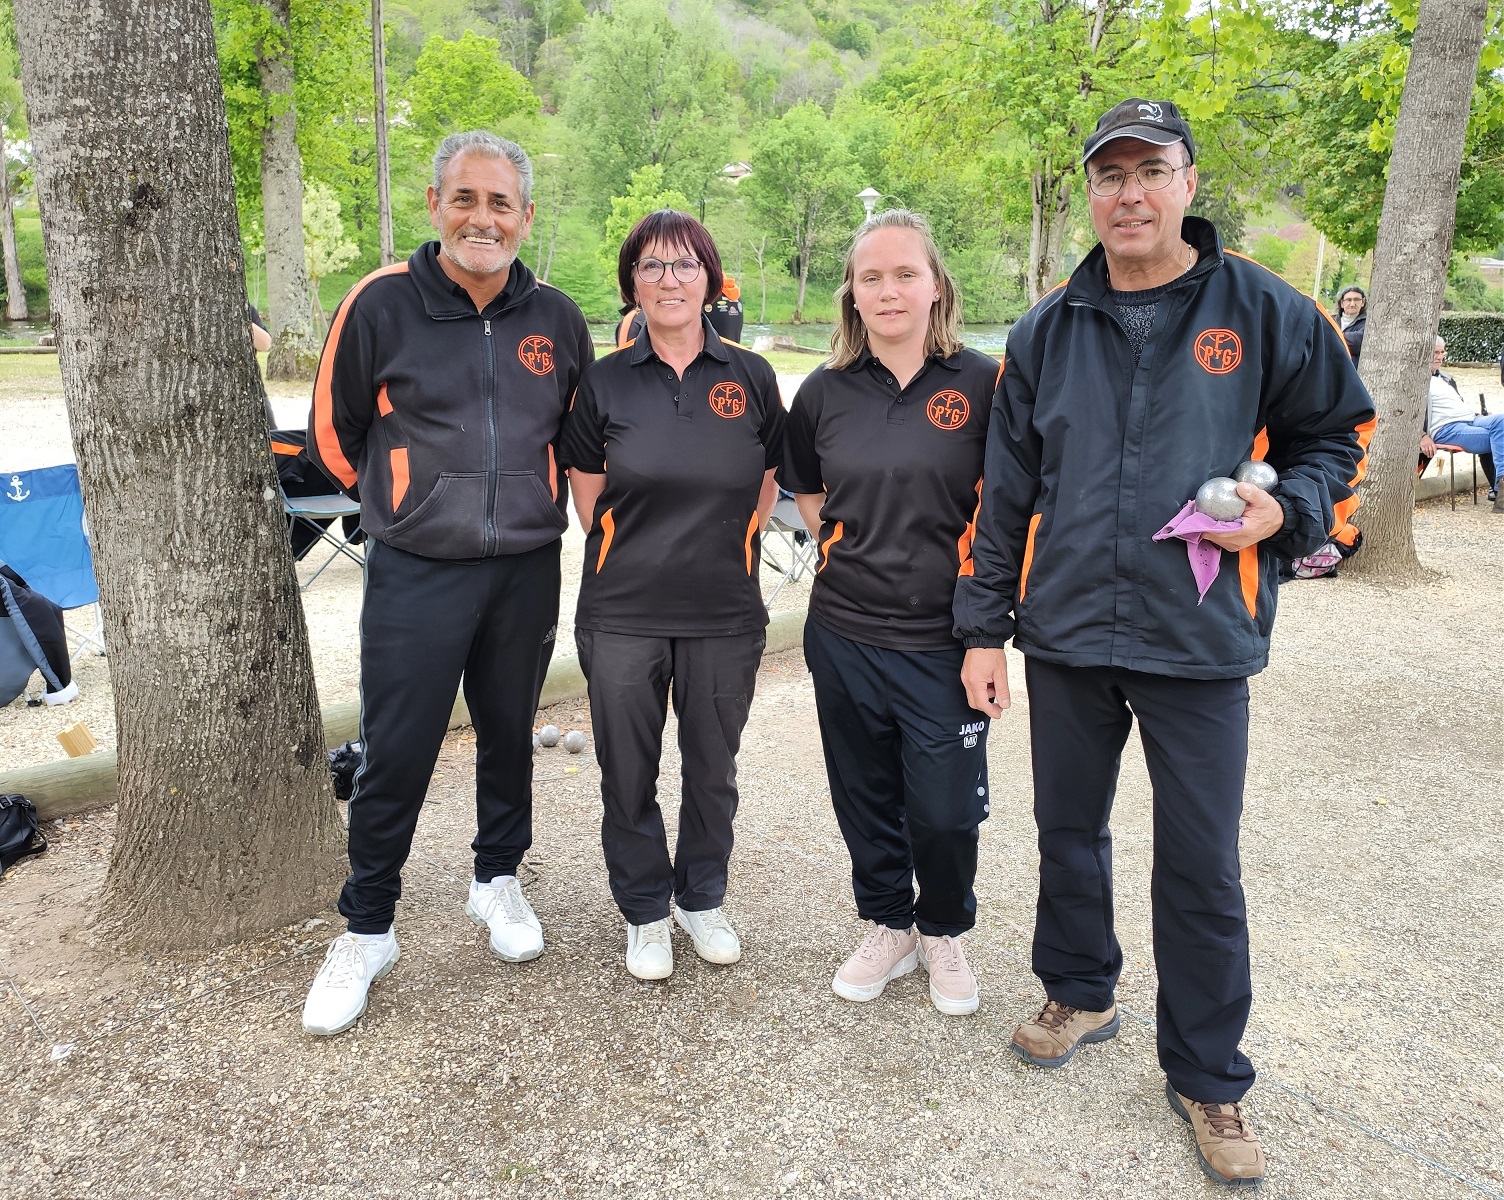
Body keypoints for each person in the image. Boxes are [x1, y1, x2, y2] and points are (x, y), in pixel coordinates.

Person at [954, 99, 1374, 1187]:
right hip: (1066, 630)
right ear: (1090, 193)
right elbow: (1004, 495)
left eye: (1151, 171)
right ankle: (1079, 988)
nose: (1129, 193)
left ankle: (1208, 1074)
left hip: (1199, 633)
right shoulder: (1045, 331)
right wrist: (985, 629)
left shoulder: (1268, 311)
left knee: (1200, 859)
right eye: (1110, 175)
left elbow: (1342, 435)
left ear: (1188, 182)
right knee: (1067, 830)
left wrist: (1288, 514)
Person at [299, 131, 593, 1036]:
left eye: (501, 203)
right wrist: (405, 507)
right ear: (435, 205)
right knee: (397, 750)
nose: (482, 218)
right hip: (416, 572)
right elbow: (333, 436)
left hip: (525, 569)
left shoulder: (557, 318)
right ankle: (368, 927)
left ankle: (496, 879)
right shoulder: (380, 303)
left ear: (526, 217)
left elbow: (578, 438)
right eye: (465, 198)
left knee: (509, 735)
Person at [778, 210, 998, 1018]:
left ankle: (942, 928)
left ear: (936, 285)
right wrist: (855, 545)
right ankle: (889, 923)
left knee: (944, 810)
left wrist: (988, 632)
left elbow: (1007, 509)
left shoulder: (984, 383)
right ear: (852, 293)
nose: (889, 290)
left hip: (944, 639)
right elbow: (808, 494)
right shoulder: (824, 392)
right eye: (871, 277)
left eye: (905, 274)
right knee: (864, 794)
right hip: (844, 632)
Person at [559, 211, 783, 981]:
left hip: (724, 612)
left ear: (710, 279)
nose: (669, 279)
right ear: (632, 284)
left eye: (685, 264)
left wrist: (720, 545)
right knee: (627, 771)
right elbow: (589, 499)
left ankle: (701, 897)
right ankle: (646, 910)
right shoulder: (604, 380)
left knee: (712, 770)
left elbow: (766, 483)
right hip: (623, 611)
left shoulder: (751, 376)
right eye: (651, 266)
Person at [1426, 335, 1501, 505]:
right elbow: (1412, 415)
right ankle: (1499, 489)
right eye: (1435, 353)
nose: (1439, 357)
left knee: (1500, 422)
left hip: (1469, 419)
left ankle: (1498, 488)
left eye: (1441, 352)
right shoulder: (1418, 381)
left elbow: (1457, 407)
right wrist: (1422, 435)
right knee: (1497, 436)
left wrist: (1479, 415)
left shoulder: (1446, 378)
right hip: (1447, 428)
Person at [1333, 285, 1366, 365]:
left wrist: (1331, 338)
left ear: (1363, 302)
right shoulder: (1331, 320)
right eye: (1348, 300)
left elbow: (1357, 342)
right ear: (1342, 303)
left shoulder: (1367, 323)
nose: (1352, 304)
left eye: (1356, 299)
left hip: (1352, 368)